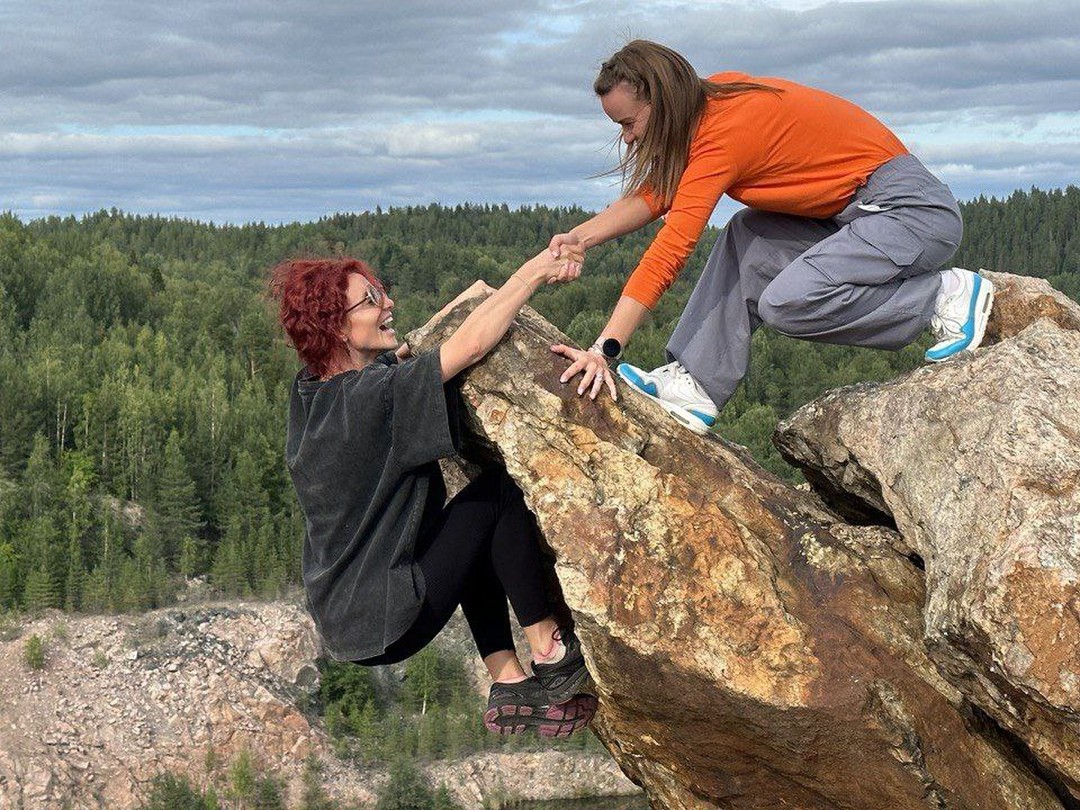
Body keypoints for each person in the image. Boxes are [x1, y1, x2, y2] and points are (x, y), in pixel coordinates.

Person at [549, 40, 993, 434]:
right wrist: (580, 238)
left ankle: (943, 296)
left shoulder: (724, 134)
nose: (628, 139)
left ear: (661, 100)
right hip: (856, 217)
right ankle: (697, 384)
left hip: (910, 213)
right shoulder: (711, 103)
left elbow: (670, 251)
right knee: (748, 232)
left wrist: (604, 349)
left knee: (787, 302)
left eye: (628, 123)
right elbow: (657, 194)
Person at [271, 251, 597, 737]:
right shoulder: (372, 400)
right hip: (389, 615)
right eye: (372, 300)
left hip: (346, 619)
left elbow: (401, 362)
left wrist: (472, 298)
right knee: (497, 496)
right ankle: (550, 650)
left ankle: (510, 682)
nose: (388, 304)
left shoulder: (313, 395)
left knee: (466, 530)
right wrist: (533, 272)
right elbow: (469, 348)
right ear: (337, 327)